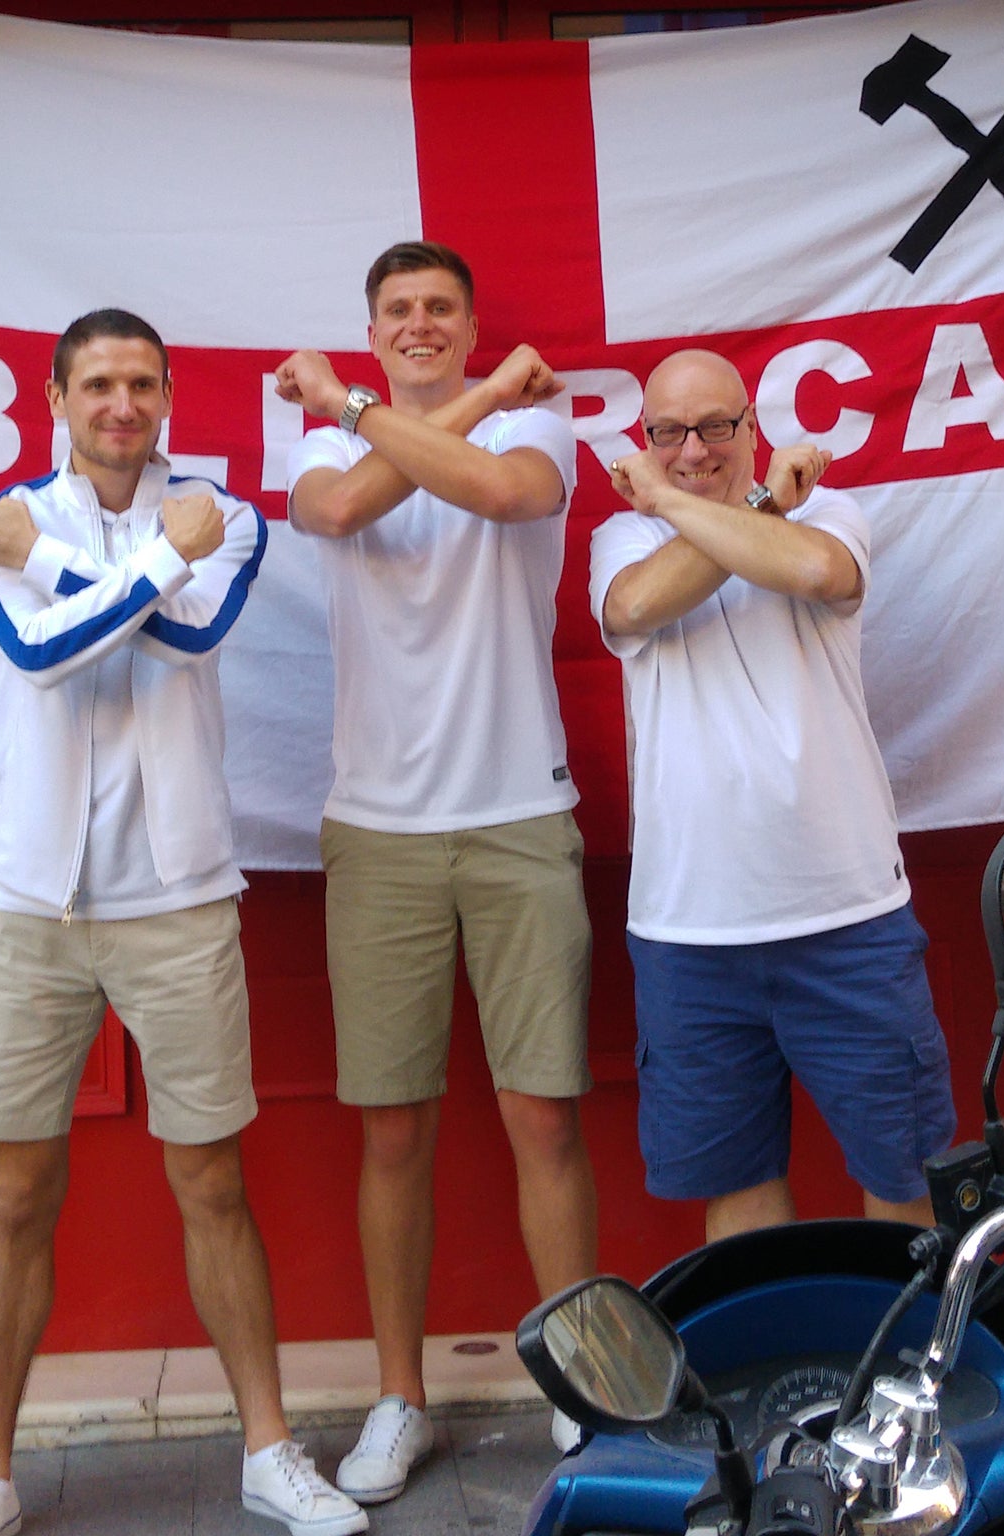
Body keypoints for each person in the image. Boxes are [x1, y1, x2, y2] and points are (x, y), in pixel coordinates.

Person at [0, 308, 365, 1536]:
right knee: (17, 1197)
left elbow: (182, 635)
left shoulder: (223, 515)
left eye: (141, 384)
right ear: (56, 395)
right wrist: (141, 563)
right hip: (30, 905)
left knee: (212, 1184)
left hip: (176, 903)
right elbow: (42, 654)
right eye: (98, 385)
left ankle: (267, 1451)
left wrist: (148, 562)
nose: (121, 405)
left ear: (167, 394)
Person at [273, 241, 597, 1503]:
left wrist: (354, 401)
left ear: (468, 324)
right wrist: (366, 414)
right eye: (396, 312)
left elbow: (502, 496)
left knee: (543, 1118)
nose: (418, 325)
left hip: (520, 813)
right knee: (393, 1130)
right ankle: (398, 1396)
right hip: (379, 829)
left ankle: (575, 1380)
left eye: (439, 311)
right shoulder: (317, 450)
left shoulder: (544, 429)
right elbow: (349, 507)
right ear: (374, 325)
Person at [588, 347, 955, 1245]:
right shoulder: (623, 538)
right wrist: (735, 508)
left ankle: (920, 1375)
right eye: (668, 434)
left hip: (848, 916)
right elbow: (637, 604)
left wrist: (689, 503)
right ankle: (771, 1381)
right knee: (739, 1191)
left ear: (754, 425)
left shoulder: (827, 511)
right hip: (691, 930)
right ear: (645, 436)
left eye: (717, 426)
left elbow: (820, 575)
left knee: (906, 1175)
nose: (692, 451)